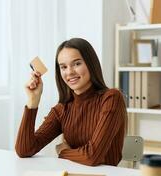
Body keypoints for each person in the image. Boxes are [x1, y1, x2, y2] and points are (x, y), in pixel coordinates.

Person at [15, 38, 127, 166]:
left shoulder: (111, 98)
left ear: (91, 64)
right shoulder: (62, 109)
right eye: (63, 67)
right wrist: (33, 101)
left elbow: (92, 156)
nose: (69, 72)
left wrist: (64, 151)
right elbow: (24, 150)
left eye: (77, 64)